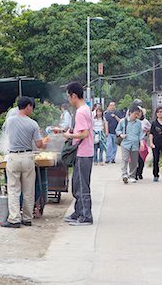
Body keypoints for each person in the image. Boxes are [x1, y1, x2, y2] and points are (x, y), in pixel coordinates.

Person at [1, 96, 46, 228]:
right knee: (28, 190)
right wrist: (45, 142)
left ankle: (14, 219)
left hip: (13, 157)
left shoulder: (9, 121)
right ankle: (27, 218)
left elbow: (7, 135)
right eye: (31, 107)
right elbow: (38, 144)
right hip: (27, 157)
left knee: (14, 189)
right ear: (27, 106)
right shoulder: (33, 124)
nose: (32, 109)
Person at [63, 82, 94, 226]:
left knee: (82, 185)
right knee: (77, 184)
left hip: (83, 153)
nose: (69, 100)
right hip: (84, 152)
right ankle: (78, 212)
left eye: (69, 97)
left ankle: (86, 216)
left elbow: (84, 134)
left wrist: (69, 136)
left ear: (74, 96)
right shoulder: (85, 109)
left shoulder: (81, 111)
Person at [116, 105, 143, 184]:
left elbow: (140, 134)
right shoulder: (123, 121)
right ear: (130, 113)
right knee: (125, 159)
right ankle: (124, 174)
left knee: (134, 161)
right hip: (125, 143)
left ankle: (132, 176)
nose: (136, 116)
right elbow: (117, 130)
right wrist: (121, 134)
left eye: (138, 114)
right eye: (135, 114)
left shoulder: (138, 123)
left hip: (135, 144)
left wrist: (141, 142)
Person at [135, 107, 151, 180]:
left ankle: (140, 172)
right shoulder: (132, 121)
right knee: (134, 158)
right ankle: (134, 173)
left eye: (140, 112)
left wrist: (147, 131)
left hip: (142, 140)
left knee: (141, 158)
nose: (138, 113)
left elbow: (150, 129)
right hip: (134, 141)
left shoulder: (145, 121)